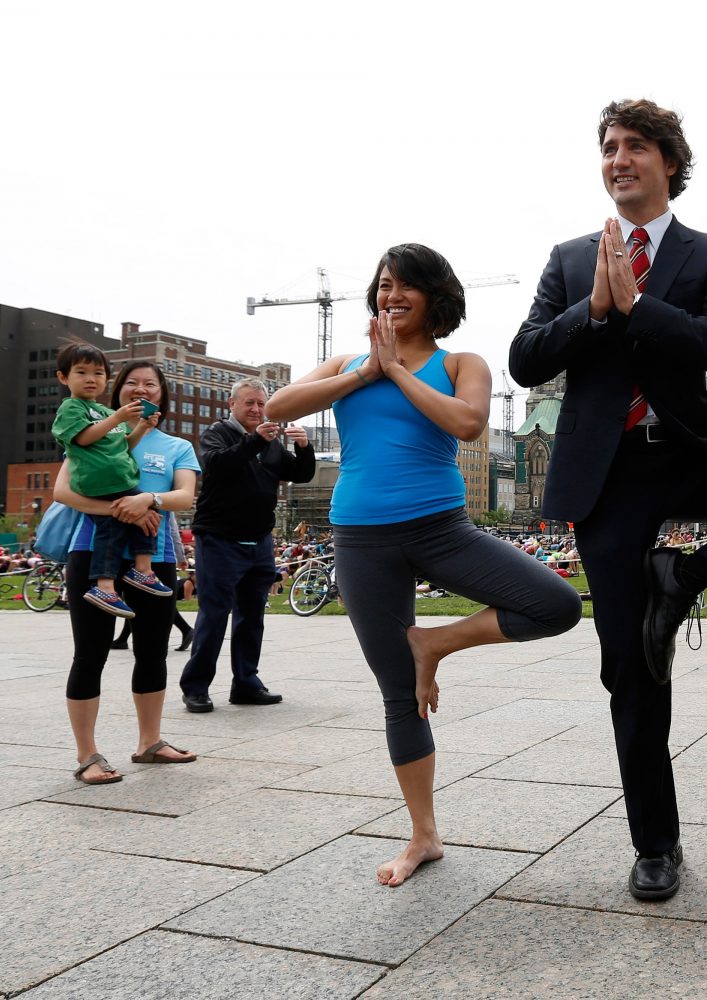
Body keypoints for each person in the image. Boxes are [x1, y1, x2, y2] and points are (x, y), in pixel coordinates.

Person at [510, 98, 707, 903]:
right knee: (632, 665)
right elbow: (525, 359)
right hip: (608, 474)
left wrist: (640, 308)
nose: (618, 159)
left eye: (634, 146)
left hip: (692, 452)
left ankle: (687, 577)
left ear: (670, 162)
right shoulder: (570, 258)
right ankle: (656, 845)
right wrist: (593, 310)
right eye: (608, 147)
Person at [267, 243, 582, 886]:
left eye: (407, 285)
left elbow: (469, 424)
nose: (392, 295)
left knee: (557, 604)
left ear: (436, 296)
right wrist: (365, 373)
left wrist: (398, 372)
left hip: (442, 529)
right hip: (361, 539)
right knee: (399, 697)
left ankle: (433, 643)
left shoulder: (462, 363)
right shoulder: (345, 363)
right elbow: (277, 409)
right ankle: (423, 835)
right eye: (384, 284)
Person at [54, 359, 200, 784]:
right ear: (116, 392)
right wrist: (124, 510)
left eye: (150, 384)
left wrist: (148, 501)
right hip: (91, 553)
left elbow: (185, 496)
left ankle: (149, 742)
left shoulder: (177, 446)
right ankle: (87, 755)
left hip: (152, 560)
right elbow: (63, 492)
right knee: (90, 653)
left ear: (161, 394)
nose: (141, 389)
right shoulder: (93, 431)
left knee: (153, 650)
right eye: (131, 383)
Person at [178, 378, 315, 713]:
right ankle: (196, 687)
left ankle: (246, 683)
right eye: (249, 403)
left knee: (252, 615)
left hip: (259, 539)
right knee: (214, 614)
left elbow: (301, 474)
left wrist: (304, 447)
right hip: (219, 538)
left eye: (261, 404)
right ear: (232, 404)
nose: (256, 409)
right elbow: (218, 464)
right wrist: (255, 440)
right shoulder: (218, 433)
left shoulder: (269, 442)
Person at [51, 342, 174, 618]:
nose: (91, 379)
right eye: (81, 372)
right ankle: (104, 586)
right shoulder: (71, 409)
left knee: (149, 512)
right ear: (63, 377)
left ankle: (142, 569)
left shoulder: (104, 412)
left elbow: (123, 445)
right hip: (97, 482)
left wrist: (141, 427)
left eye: (98, 373)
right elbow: (84, 438)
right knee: (111, 529)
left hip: (119, 481)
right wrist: (118, 416)